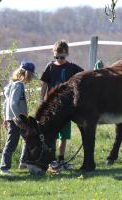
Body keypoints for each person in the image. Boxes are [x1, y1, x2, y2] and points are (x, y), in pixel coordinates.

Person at [40, 40, 83, 169]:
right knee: (50, 135)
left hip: (66, 108)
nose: (59, 59)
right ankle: (51, 160)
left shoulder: (72, 67)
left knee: (63, 136)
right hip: (52, 108)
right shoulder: (50, 67)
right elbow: (44, 84)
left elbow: (84, 76)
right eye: (56, 57)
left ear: (67, 54)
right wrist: (42, 100)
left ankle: (61, 160)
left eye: (62, 57)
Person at [0, 61, 37, 176]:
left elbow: (5, 104)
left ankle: (23, 162)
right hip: (17, 120)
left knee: (28, 138)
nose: (30, 79)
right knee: (11, 143)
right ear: (26, 74)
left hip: (13, 118)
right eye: (30, 76)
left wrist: (5, 117)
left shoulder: (11, 85)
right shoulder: (18, 85)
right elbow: (13, 103)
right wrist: (18, 119)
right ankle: (4, 168)